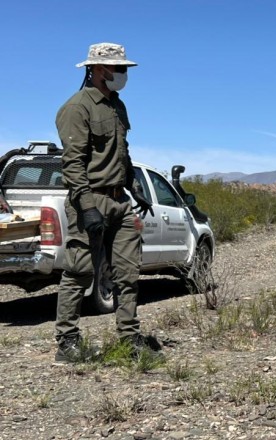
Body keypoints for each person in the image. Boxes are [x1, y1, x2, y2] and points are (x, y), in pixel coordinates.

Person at [54, 42, 156, 362]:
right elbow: (73, 163)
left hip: (119, 202)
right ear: (98, 69)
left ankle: (129, 337)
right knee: (80, 271)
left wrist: (132, 184)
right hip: (91, 199)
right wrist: (86, 206)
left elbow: (121, 152)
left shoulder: (118, 106)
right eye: (119, 68)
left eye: (124, 68)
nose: (123, 74)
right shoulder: (77, 107)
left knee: (127, 273)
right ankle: (67, 341)